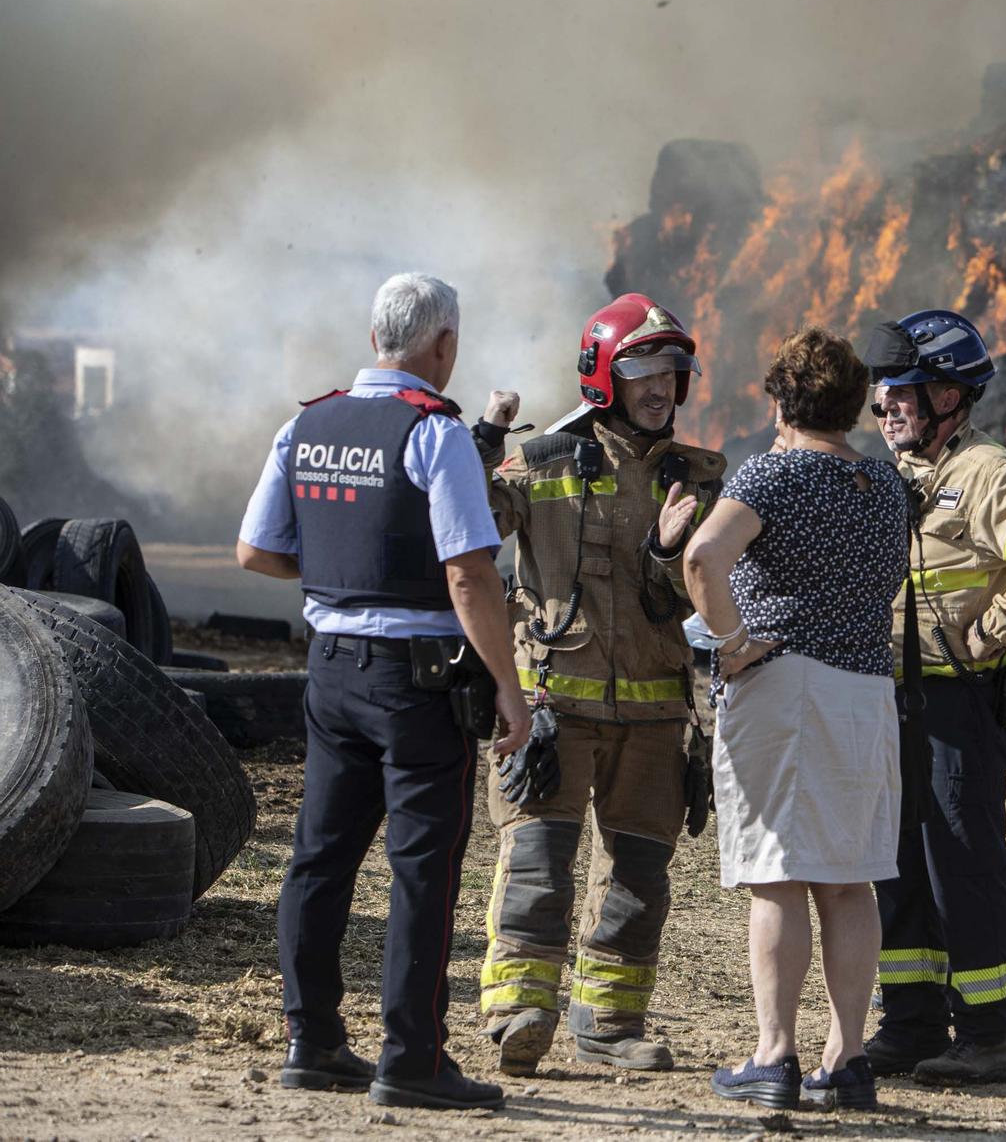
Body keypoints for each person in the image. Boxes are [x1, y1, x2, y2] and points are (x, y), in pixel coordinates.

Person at [236, 272, 530, 1112]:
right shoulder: (433, 432)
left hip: (330, 668)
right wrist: (509, 688)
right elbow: (470, 575)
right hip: (415, 681)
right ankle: (412, 1058)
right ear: (442, 346)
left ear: (374, 340)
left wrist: (339, 575)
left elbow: (255, 550)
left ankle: (313, 1039)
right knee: (423, 869)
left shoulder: (307, 422)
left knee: (319, 857)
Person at [470, 293, 725, 1076]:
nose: (659, 384)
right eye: (642, 368)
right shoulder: (542, 460)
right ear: (602, 376)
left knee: (639, 879)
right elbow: (467, 521)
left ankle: (610, 1024)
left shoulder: (699, 477)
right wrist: (483, 438)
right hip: (552, 710)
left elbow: (698, 597)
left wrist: (666, 551)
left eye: (670, 370)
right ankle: (518, 1011)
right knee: (539, 866)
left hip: (653, 716)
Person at [859, 309, 1006, 1087]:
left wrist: (989, 631)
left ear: (950, 397)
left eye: (903, 392)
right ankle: (911, 1021)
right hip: (896, 698)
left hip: (960, 700)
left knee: (963, 860)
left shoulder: (986, 473)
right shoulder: (898, 473)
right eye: (882, 394)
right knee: (897, 863)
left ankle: (985, 1033)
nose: (886, 406)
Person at [682, 327, 910, 1111]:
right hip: (865, 693)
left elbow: (704, 557)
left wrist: (732, 642)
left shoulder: (771, 476)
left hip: (785, 687)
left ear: (781, 399)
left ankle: (773, 1054)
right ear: (853, 405)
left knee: (777, 875)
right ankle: (846, 1059)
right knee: (849, 880)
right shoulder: (886, 486)